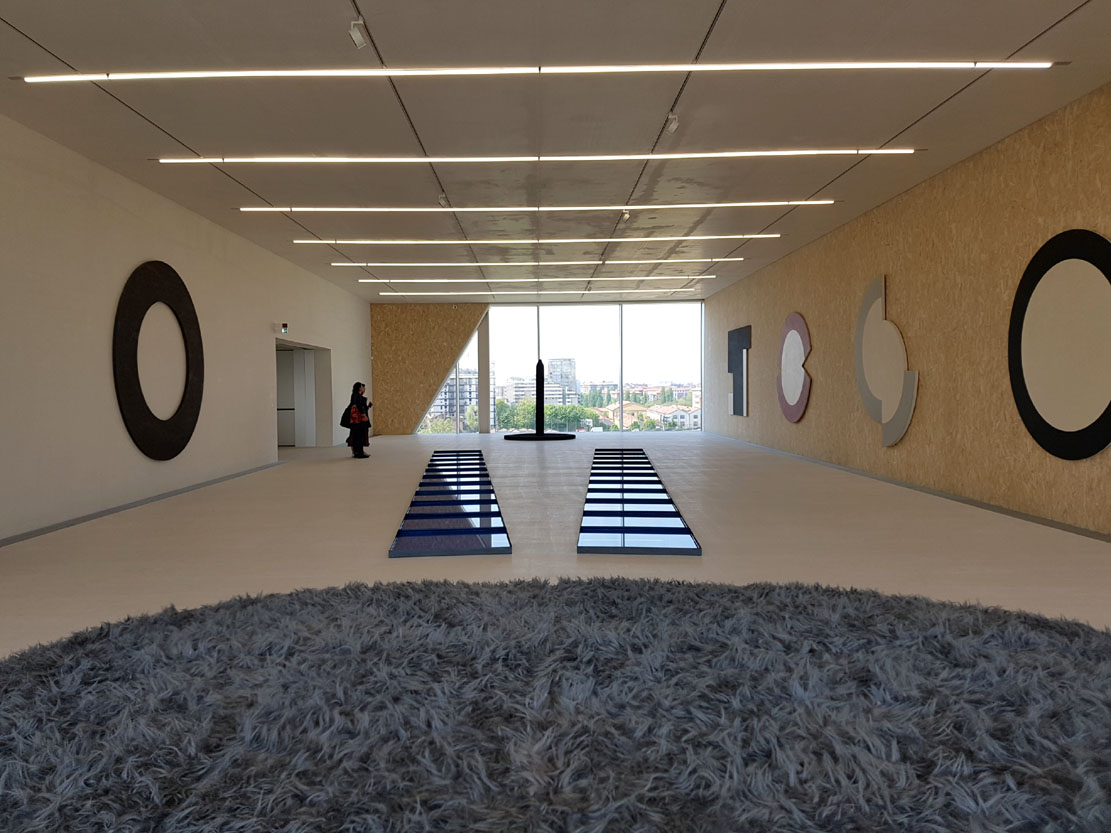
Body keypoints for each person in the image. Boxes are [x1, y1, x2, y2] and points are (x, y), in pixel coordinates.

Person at [346, 382, 372, 458]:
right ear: (359, 388)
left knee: (359, 435)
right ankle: (358, 453)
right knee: (358, 436)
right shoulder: (356, 396)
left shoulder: (357, 396)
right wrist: (363, 415)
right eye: (362, 387)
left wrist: (368, 406)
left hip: (358, 420)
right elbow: (359, 407)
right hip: (358, 420)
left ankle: (358, 452)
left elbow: (362, 407)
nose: (364, 388)